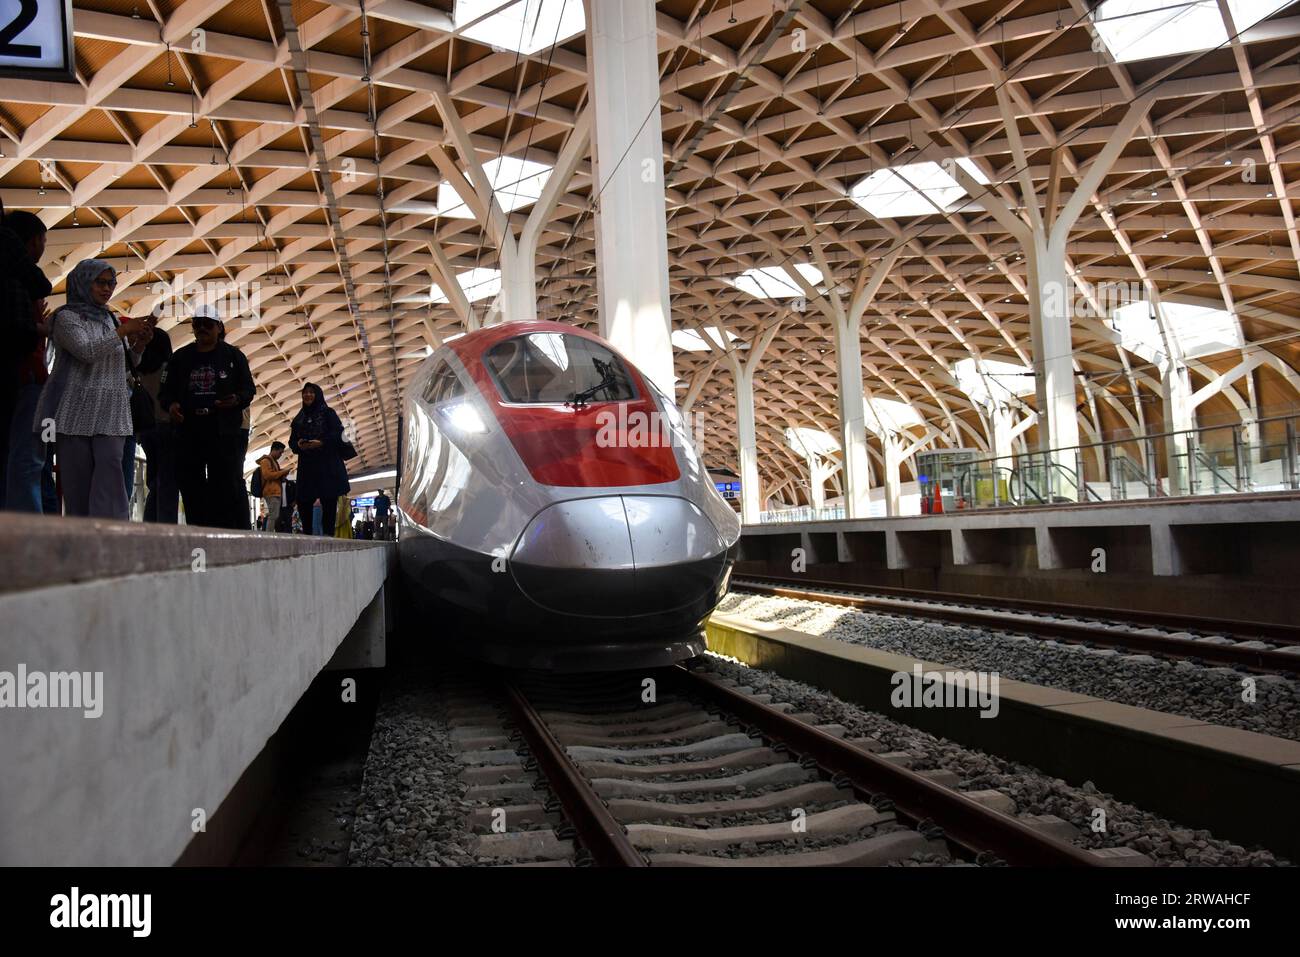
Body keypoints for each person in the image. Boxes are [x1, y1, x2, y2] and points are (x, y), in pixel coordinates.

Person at [35, 260, 152, 519]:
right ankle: (82, 535)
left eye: (111, 283)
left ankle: (111, 530)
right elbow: (86, 351)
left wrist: (139, 347)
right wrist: (123, 330)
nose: (107, 289)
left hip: (112, 408)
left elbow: (123, 363)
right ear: (83, 282)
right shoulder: (67, 318)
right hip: (76, 410)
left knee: (111, 467)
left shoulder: (109, 317)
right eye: (101, 282)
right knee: (78, 480)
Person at [159, 306, 254, 528]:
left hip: (222, 430)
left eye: (207, 324)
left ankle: (220, 531)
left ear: (219, 328)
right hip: (188, 429)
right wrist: (171, 405)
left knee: (223, 484)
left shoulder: (233, 356)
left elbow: (248, 390)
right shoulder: (180, 357)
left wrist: (236, 400)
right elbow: (165, 392)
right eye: (197, 324)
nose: (201, 329)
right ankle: (197, 529)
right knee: (190, 483)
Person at [2, 211, 53, 512]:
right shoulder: (22, 280)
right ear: (32, 242)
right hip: (28, 380)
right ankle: (28, 529)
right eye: (43, 241)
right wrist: (41, 329)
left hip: (21, 378)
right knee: (30, 459)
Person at [289, 383, 350, 536]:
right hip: (307, 465)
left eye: (311, 392)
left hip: (327, 464)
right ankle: (308, 534)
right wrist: (298, 445)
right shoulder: (299, 418)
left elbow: (338, 434)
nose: (308, 395)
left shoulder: (328, 413)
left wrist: (321, 442)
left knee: (328, 500)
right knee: (304, 501)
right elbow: (291, 442)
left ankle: (328, 535)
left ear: (318, 395)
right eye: (305, 392)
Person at [135, 328, 177, 522]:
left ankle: (150, 521)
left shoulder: (139, 368)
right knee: (167, 480)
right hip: (167, 426)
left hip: (145, 430)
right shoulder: (168, 368)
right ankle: (164, 523)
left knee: (154, 480)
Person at [256, 441, 292, 533]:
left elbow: (274, 475)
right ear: (274, 450)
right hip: (270, 492)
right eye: (280, 452)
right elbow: (267, 475)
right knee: (273, 515)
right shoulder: (265, 461)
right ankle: (269, 534)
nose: (280, 455)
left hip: (275, 492)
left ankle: (270, 532)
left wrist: (282, 475)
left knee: (274, 515)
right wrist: (282, 472)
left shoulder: (274, 462)